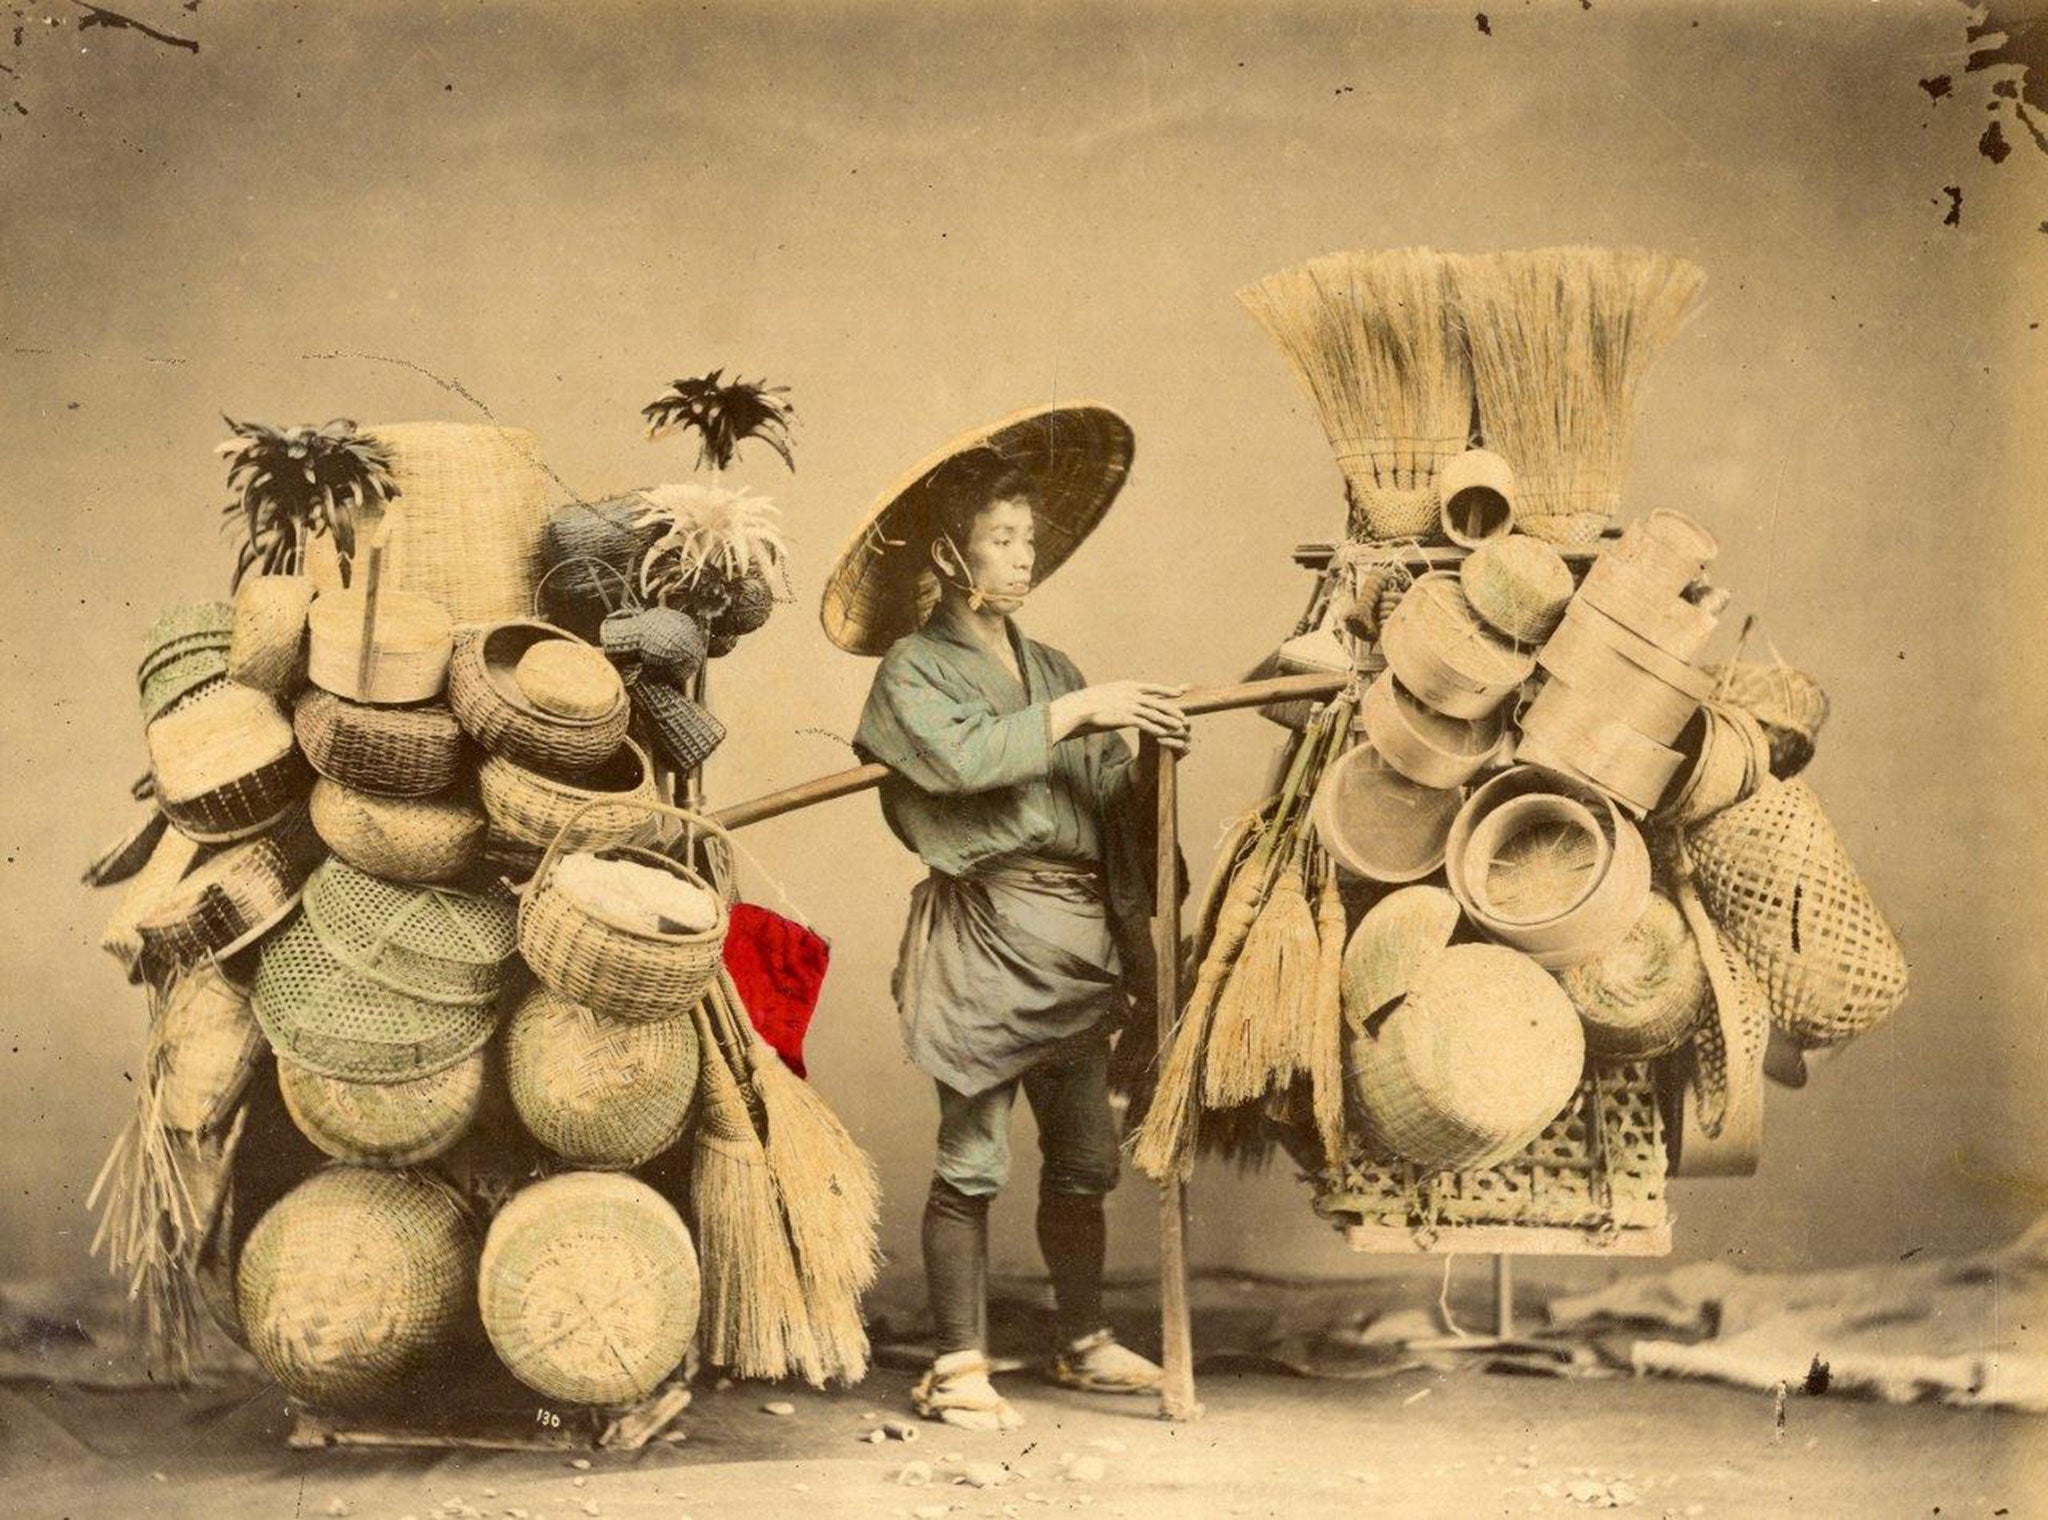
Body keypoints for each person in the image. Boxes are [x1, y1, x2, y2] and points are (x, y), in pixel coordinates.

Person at [821, 405, 1189, 1431]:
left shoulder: (1059, 667)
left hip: (1078, 939)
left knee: (1083, 1159)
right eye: (998, 539)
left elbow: (1110, 807)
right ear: (948, 550)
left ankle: (1080, 1341)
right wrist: (1083, 712)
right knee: (973, 1154)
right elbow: (964, 761)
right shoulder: (911, 671)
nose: (1020, 559)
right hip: (988, 935)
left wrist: (1149, 752)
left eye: (1027, 539)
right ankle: (958, 1359)